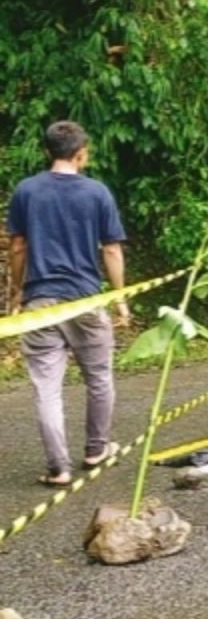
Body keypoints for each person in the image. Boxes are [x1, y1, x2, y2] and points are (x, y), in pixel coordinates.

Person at [6, 121, 130, 486]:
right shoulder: (97, 193)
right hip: (87, 299)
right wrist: (120, 299)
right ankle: (96, 449)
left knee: (47, 386)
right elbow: (111, 249)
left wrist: (16, 292)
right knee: (99, 377)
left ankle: (58, 468)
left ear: (48, 152)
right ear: (81, 154)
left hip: (40, 301)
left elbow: (17, 247)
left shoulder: (26, 191)